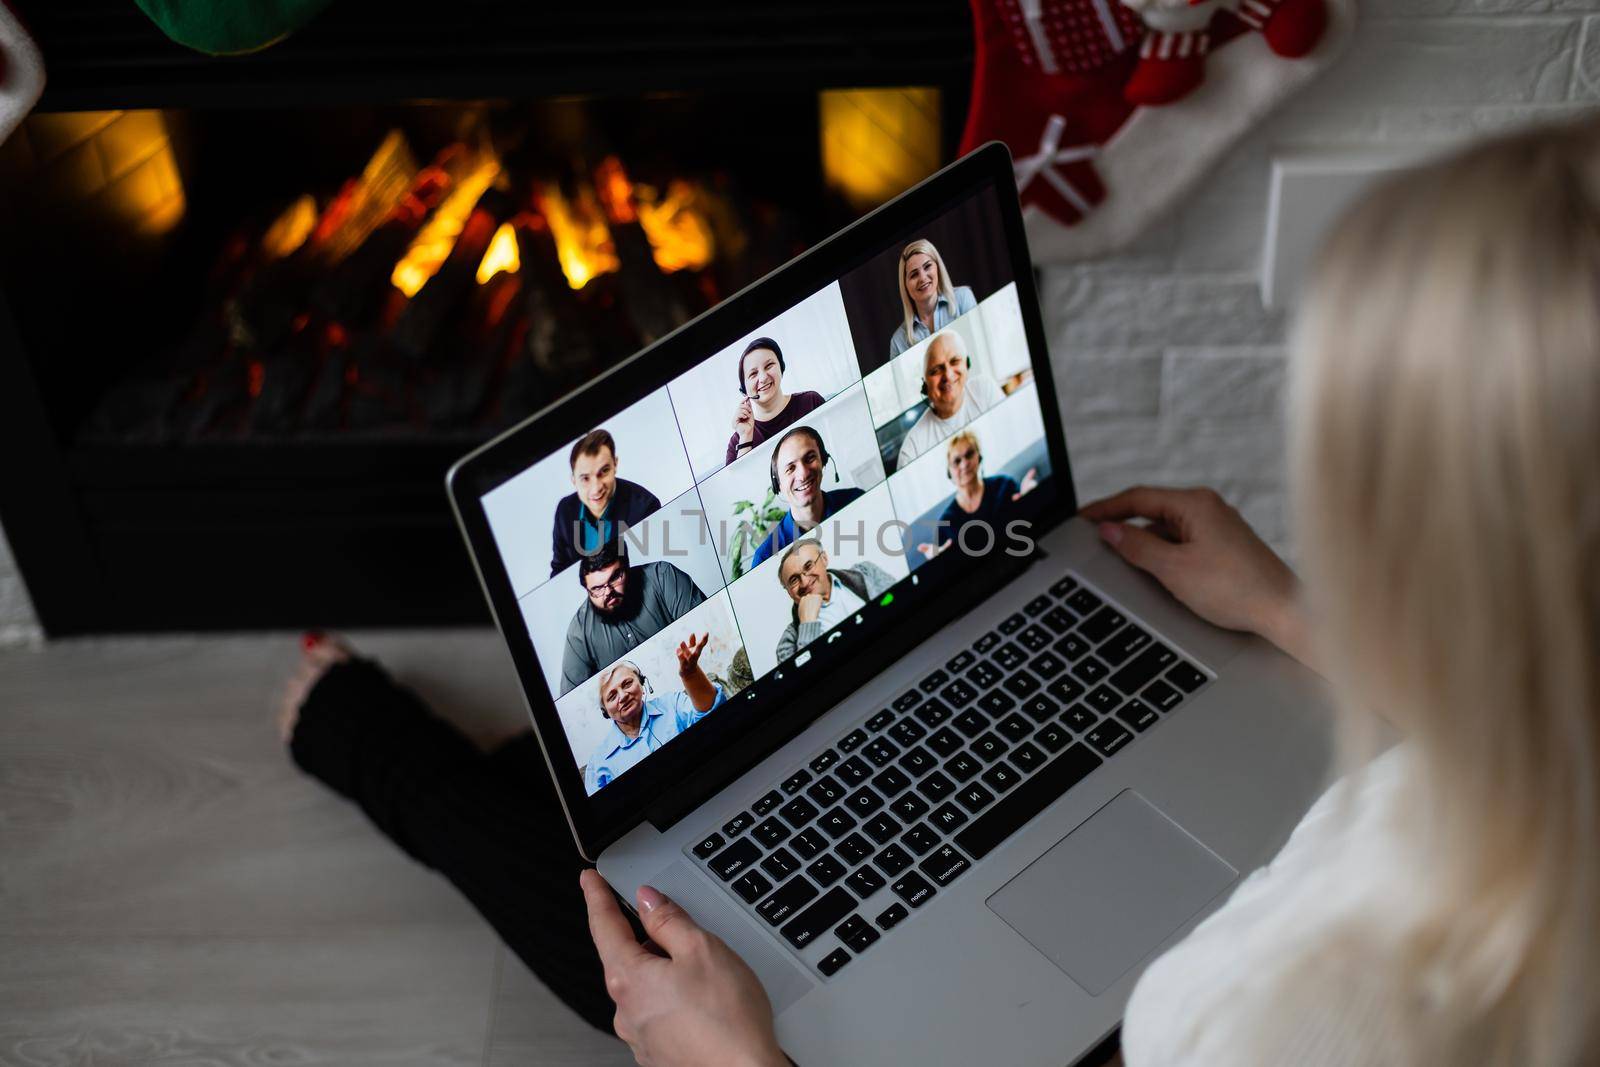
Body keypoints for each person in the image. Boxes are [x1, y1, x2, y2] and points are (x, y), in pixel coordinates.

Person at [277, 120, 1600, 1067]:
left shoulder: (1289, 1008)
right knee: (657, 855)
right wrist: (1292, 612)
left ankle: (360, 731)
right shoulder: (1535, 772)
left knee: (641, 954)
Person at [583, 636, 725, 794]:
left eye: (627, 684)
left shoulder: (672, 704)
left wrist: (690, 675)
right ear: (606, 712)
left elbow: (713, 714)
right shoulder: (598, 763)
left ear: (642, 684)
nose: (622, 696)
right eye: (612, 696)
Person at [559, 543, 706, 695]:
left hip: (692, 685)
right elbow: (573, 699)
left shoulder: (662, 576)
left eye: (615, 577)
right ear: (587, 589)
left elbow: (704, 633)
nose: (608, 592)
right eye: (597, 588)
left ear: (626, 567)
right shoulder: (579, 631)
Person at [550, 429, 662, 577]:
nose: (596, 488)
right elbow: (559, 574)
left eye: (604, 471)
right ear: (573, 480)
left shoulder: (645, 508)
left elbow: (655, 573)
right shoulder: (565, 511)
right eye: (585, 478)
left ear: (615, 464)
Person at [748, 426, 864, 568]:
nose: (803, 474)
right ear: (778, 485)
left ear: (823, 460)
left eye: (809, 458)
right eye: (790, 468)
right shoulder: (765, 558)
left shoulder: (858, 500)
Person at [916, 430, 1038, 560]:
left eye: (969, 454)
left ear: (978, 457)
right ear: (949, 472)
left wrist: (1031, 499)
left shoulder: (1004, 485)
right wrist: (935, 559)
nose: (964, 464)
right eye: (957, 461)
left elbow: (1028, 526)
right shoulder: (946, 523)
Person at [895, 329, 1005, 467]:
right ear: (925, 385)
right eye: (936, 370)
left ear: (967, 364)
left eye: (954, 361)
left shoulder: (985, 389)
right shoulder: (912, 449)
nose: (948, 375)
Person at [773, 539, 895, 661]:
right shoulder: (786, 645)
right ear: (788, 591)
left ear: (824, 559)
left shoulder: (866, 572)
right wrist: (807, 624)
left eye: (809, 566)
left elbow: (898, 599)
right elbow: (805, 677)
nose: (804, 583)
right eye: (794, 580)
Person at [725, 337, 826, 465]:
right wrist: (745, 437)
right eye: (753, 374)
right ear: (744, 389)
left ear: (781, 367)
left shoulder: (811, 401)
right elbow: (740, 483)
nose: (763, 378)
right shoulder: (737, 441)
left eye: (769, 366)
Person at [888, 238, 977, 358]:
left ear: (938, 267)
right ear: (905, 285)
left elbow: (978, 350)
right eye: (914, 274)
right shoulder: (898, 342)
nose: (923, 278)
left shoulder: (963, 298)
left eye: (927, 266)